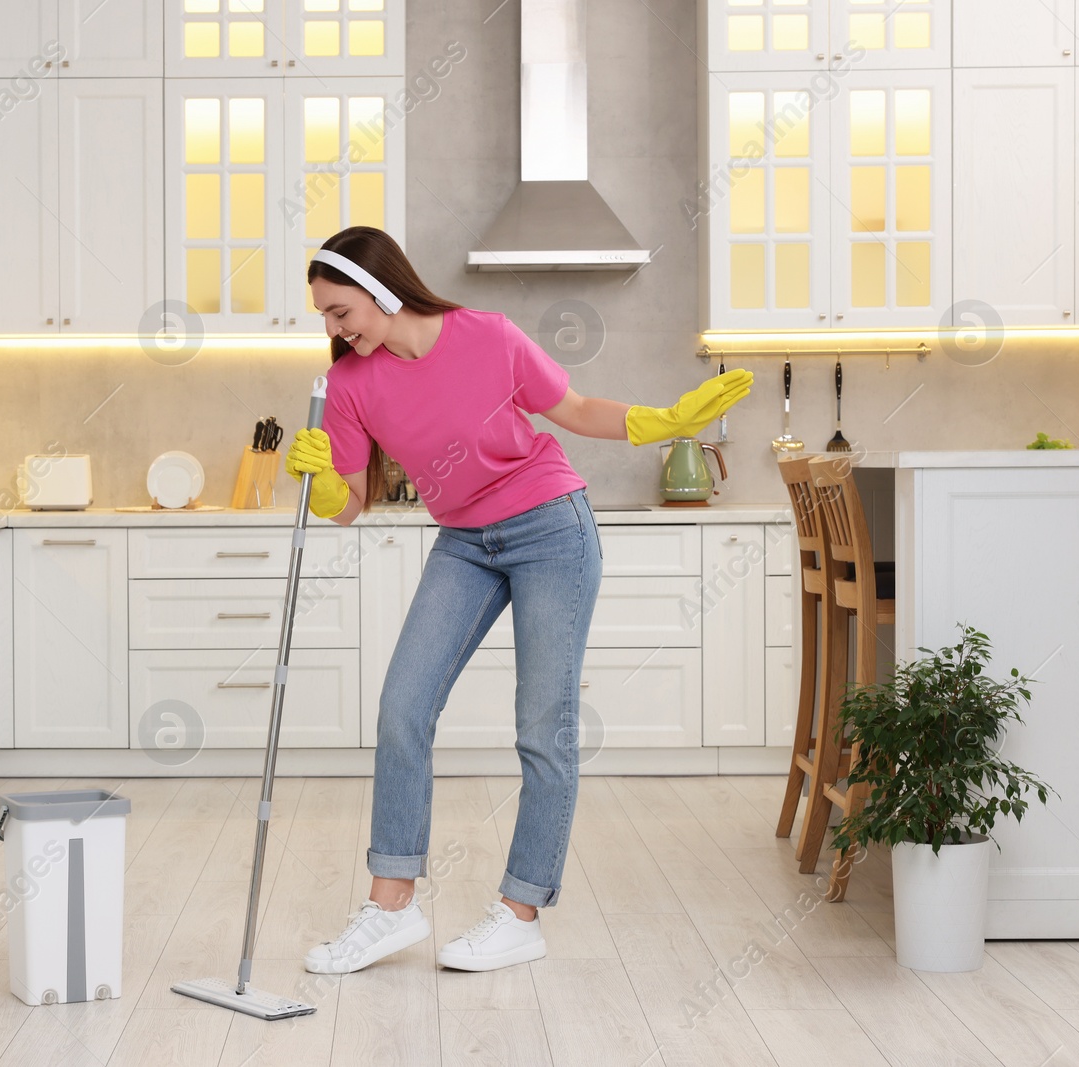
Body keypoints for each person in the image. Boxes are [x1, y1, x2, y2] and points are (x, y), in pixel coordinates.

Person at [285, 226, 751, 975]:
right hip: (465, 540)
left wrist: (662, 424)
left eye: (340, 312)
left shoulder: (487, 337)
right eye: (326, 318)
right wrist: (326, 481)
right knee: (403, 704)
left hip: (549, 528)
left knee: (543, 725)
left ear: (380, 288)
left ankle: (520, 912)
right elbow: (350, 504)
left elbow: (574, 408)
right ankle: (391, 906)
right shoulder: (348, 385)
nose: (333, 329)